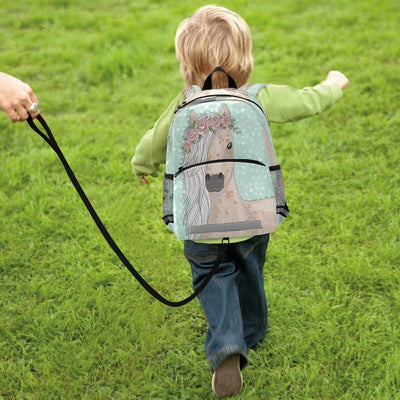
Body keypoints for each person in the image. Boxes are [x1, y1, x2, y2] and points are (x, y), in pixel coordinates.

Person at [132, 5, 349, 398]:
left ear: (187, 66)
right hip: (253, 213)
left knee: (212, 278)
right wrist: (334, 82)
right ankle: (252, 332)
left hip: (199, 219)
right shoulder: (260, 97)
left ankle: (228, 344)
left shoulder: (183, 103)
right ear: (245, 60)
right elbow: (306, 101)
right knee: (249, 266)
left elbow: (154, 143)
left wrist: (140, 164)